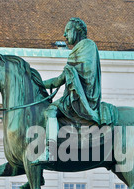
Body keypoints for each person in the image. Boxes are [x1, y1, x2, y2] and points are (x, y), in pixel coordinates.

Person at [34, 17, 110, 165]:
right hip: (77, 93)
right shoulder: (79, 49)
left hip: (83, 96)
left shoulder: (87, 46)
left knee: (50, 111)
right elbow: (59, 80)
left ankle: (50, 151)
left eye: (67, 30)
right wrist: (37, 83)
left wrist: (68, 76)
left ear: (77, 30)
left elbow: (85, 74)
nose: (64, 34)